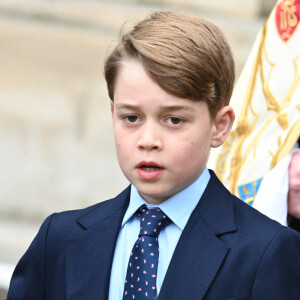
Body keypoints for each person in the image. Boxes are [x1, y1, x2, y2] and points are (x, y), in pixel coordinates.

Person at [6, 11, 300, 300]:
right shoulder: (59, 238)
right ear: (113, 114)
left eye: (174, 120)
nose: (148, 141)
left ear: (219, 126)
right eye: (131, 118)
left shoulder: (266, 251)